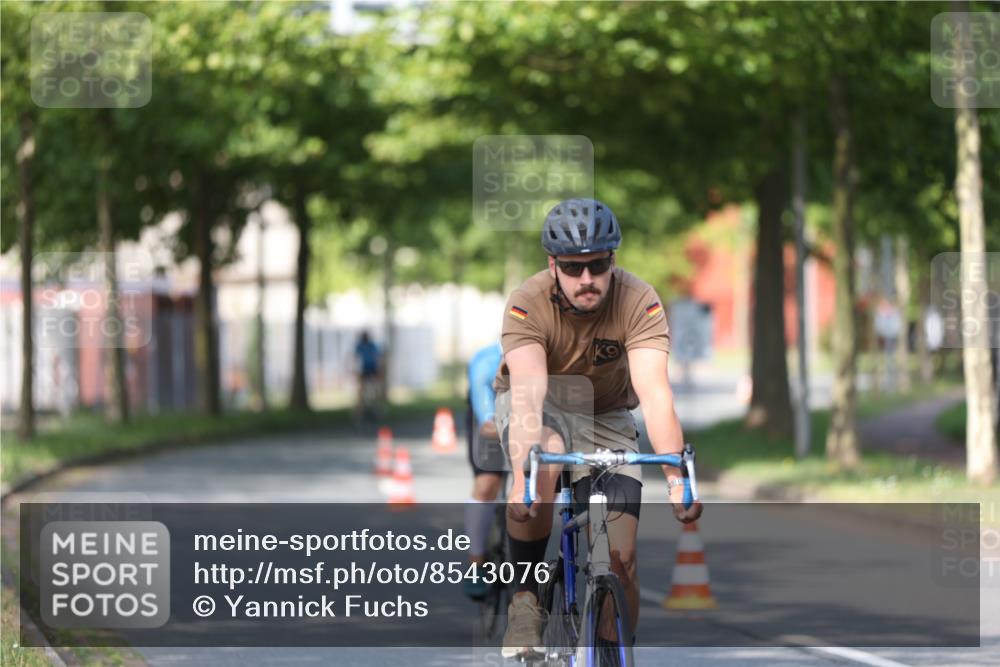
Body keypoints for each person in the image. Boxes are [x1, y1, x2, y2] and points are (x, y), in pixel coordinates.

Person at [494, 198, 703, 659]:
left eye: (597, 265)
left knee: (622, 561)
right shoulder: (527, 304)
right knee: (540, 466)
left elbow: (655, 392)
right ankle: (526, 599)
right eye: (572, 268)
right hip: (541, 407)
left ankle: (612, 652)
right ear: (553, 266)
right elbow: (528, 393)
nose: (586, 279)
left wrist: (675, 481)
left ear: (613, 260)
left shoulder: (638, 300)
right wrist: (521, 479)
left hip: (606, 414)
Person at [462, 341, 506, 600]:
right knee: (488, 483)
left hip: (530, 417)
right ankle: (476, 563)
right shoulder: (486, 362)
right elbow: (487, 420)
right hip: (489, 422)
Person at [354, 331, 382, 424]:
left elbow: (377, 357)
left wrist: (379, 369)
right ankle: (360, 413)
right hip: (364, 370)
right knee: (361, 392)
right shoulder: (360, 346)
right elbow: (355, 358)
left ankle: (375, 410)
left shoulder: (372, 345)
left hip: (372, 369)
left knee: (375, 391)